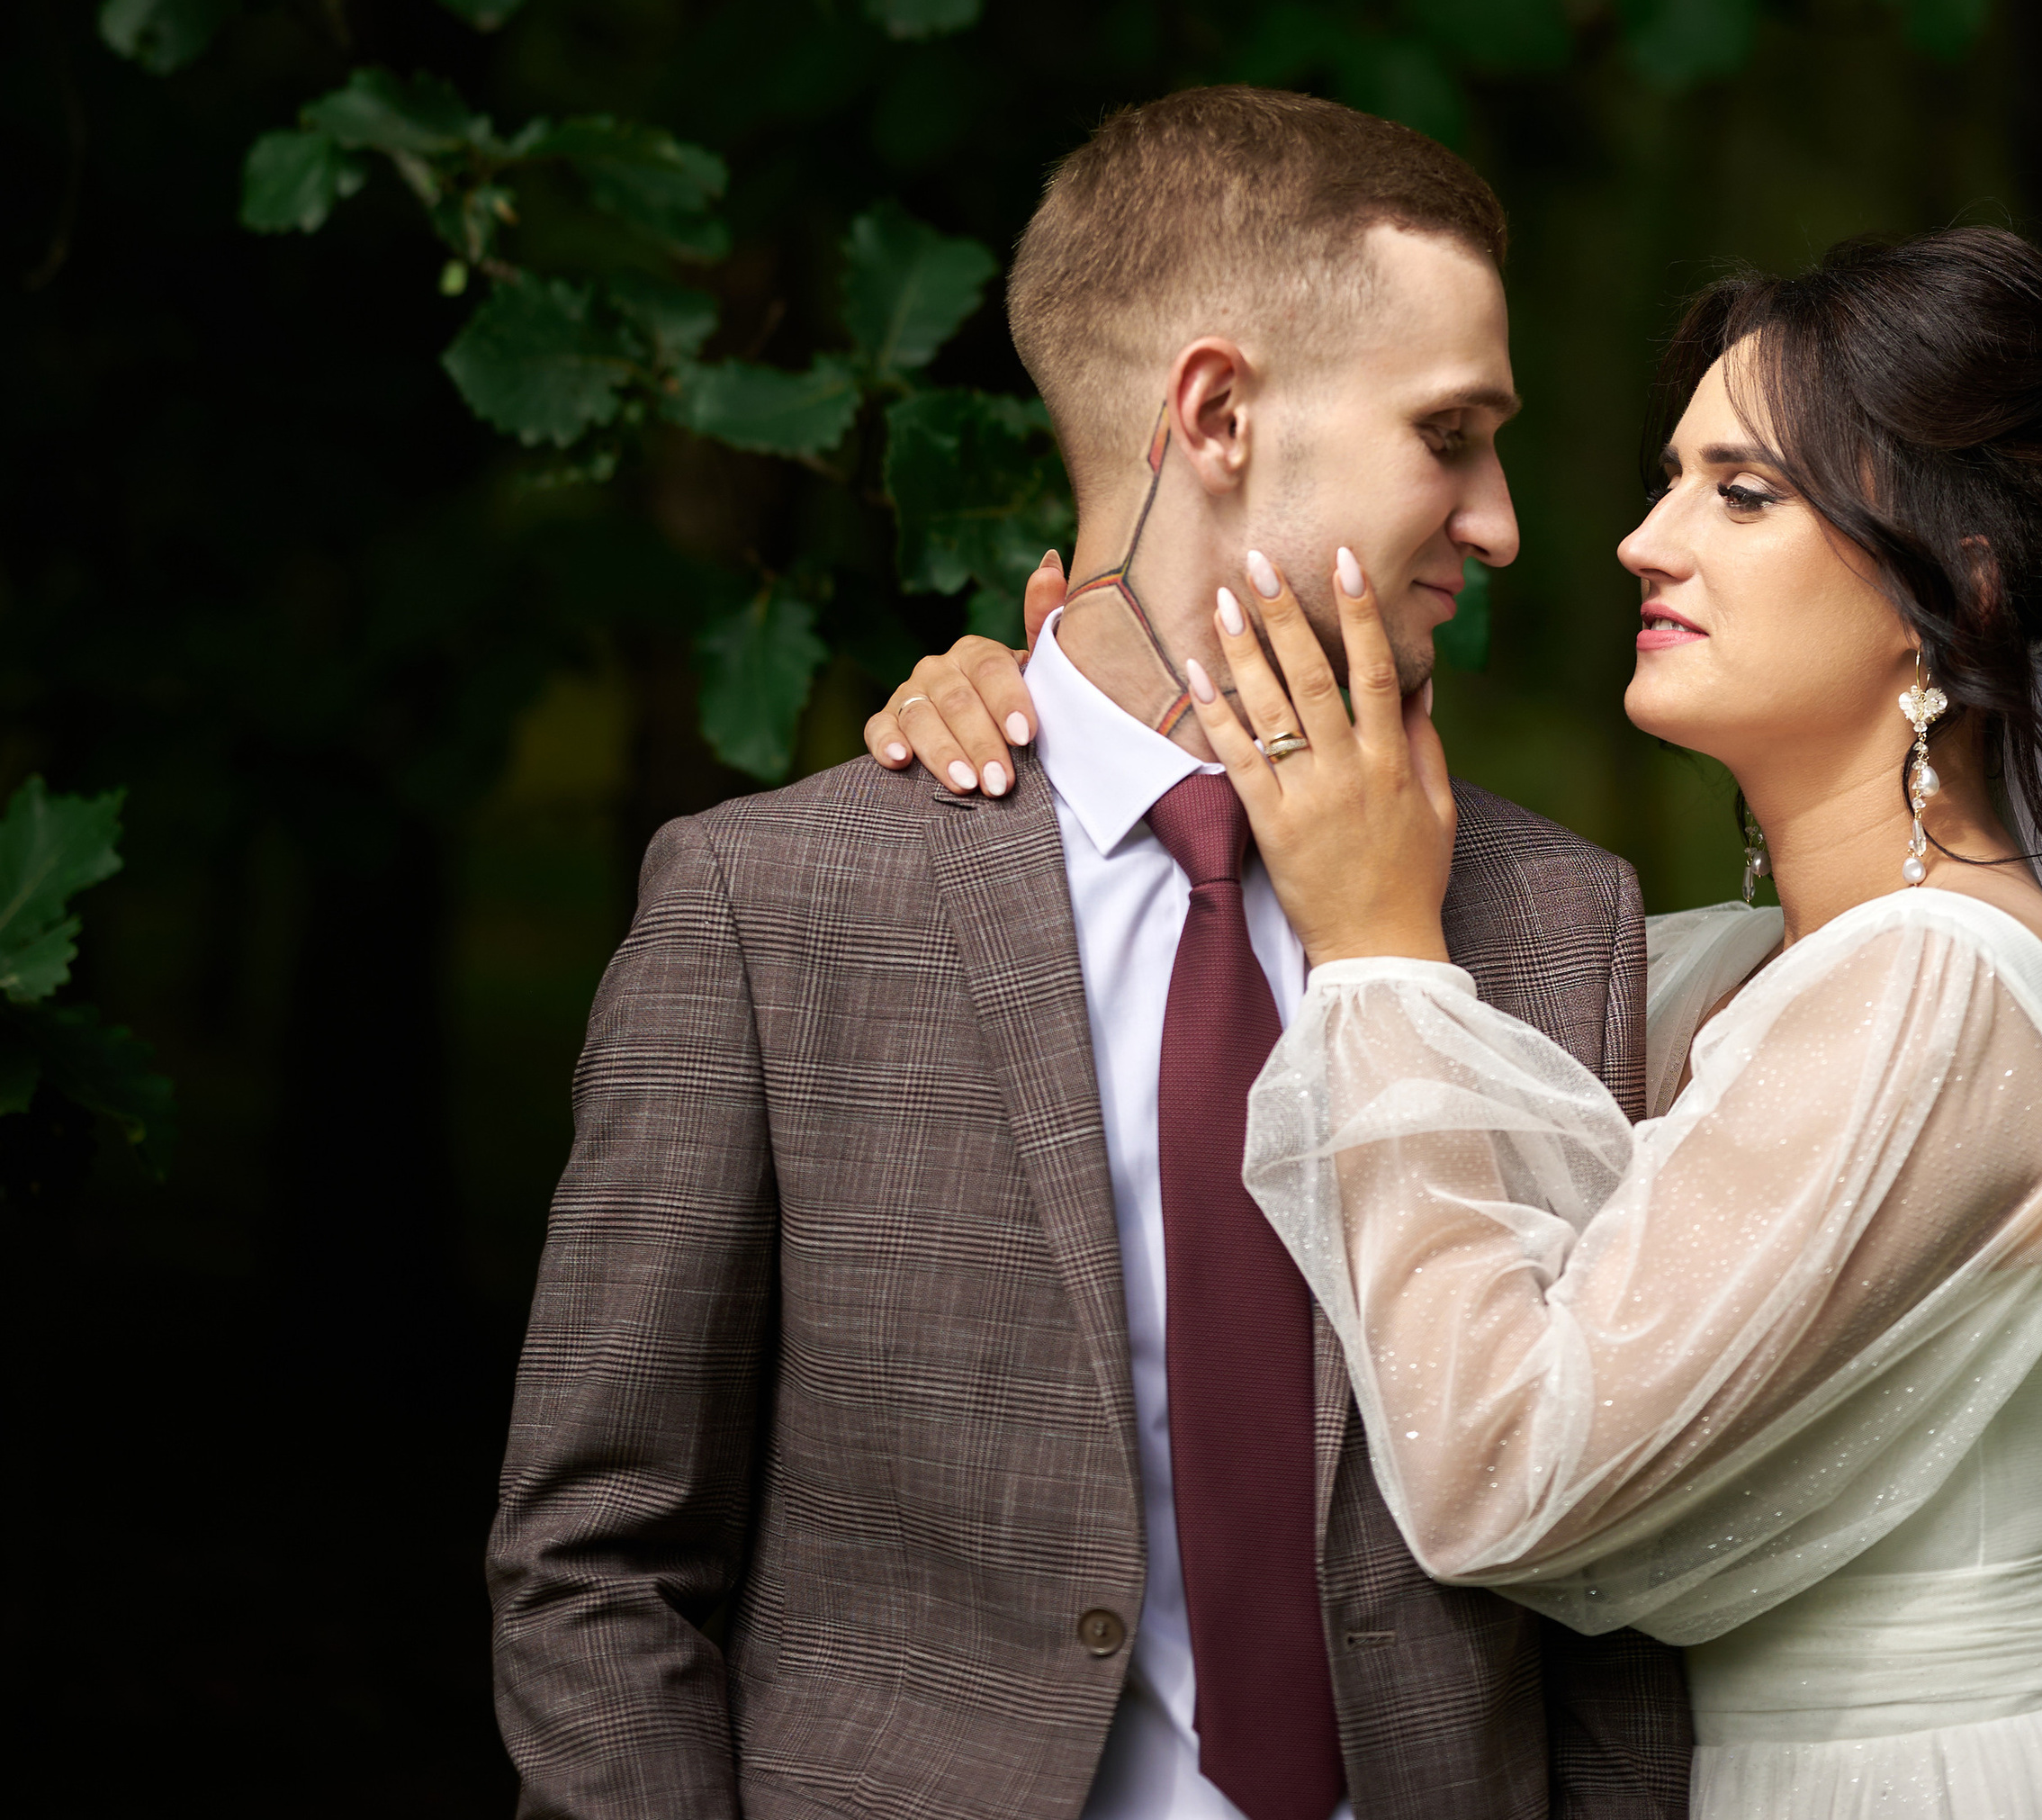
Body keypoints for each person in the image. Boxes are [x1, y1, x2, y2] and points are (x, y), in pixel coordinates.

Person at [488, 88, 1690, 1820]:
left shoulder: (1555, 920)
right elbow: (600, 1560)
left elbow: (1609, 1597)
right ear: (1215, 414)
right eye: (1452, 434)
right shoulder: (775, 905)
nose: (1502, 521)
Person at [1156, 230, 2042, 1820]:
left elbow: (1503, 1471)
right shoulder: (1743, 973)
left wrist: (1373, 948)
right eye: (1669, 479)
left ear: (1951, 586)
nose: (1641, 540)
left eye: (1741, 493)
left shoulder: (1940, 997)